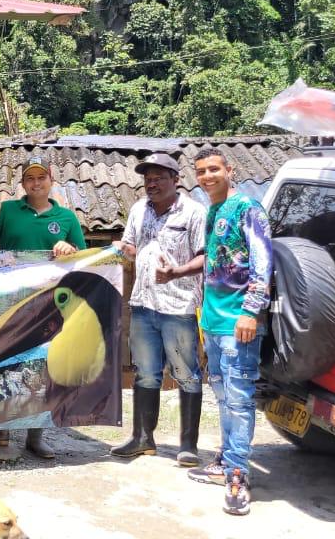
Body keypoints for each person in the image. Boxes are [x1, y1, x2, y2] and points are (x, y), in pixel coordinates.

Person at [0, 155, 86, 459]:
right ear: (22, 184)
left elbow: (84, 259)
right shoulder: (8, 210)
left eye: (41, 177)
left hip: (49, 305)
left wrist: (70, 249)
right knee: (2, 363)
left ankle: (36, 435)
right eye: (30, 178)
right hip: (10, 302)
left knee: (42, 367)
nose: (36, 183)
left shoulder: (67, 218)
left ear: (51, 180)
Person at [185, 148, 272, 516]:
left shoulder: (247, 208)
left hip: (239, 323)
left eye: (214, 169)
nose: (207, 177)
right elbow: (214, 263)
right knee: (222, 396)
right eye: (201, 171)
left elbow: (263, 262)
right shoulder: (213, 211)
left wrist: (251, 312)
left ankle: (238, 474)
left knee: (238, 399)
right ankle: (225, 460)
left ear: (229, 170)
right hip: (212, 322)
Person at [110, 153, 206, 468]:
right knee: (146, 373)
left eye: (159, 178)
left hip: (179, 306)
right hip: (142, 304)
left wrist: (177, 272)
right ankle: (142, 438)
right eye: (147, 179)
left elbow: (205, 256)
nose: (152, 184)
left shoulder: (194, 212)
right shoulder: (138, 210)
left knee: (186, 374)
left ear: (175, 179)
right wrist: (123, 250)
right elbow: (133, 249)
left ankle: (188, 446)